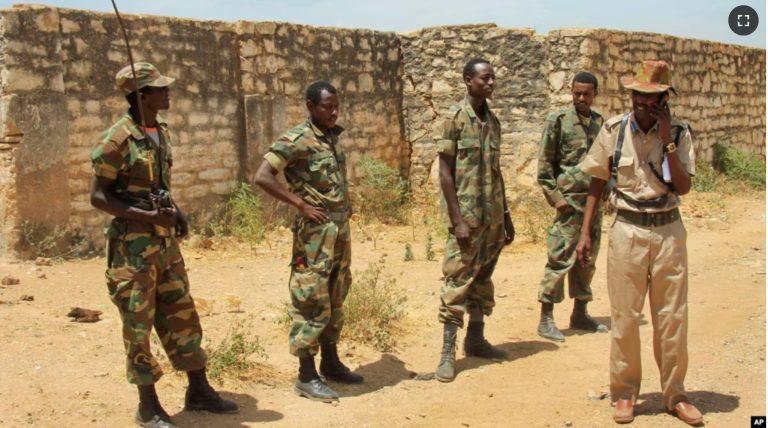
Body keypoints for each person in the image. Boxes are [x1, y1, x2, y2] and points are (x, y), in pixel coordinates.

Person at [90, 62, 237, 428]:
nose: (168, 92)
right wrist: (146, 216)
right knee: (138, 324)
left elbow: (159, 187)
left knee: (181, 312)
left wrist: (177, 212)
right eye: (160, 88)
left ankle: (198, 389)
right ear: (142, 96)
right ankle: (148, 405)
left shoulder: (160, 133)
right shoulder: (117, 140)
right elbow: (98, 196)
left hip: (165, 245)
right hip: (132, 250)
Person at [575, 60, 703, 426]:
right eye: (638, 97)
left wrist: (666, 142)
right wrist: (585, 231)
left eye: (652, 99)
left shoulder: (678, 133)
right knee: (625, 317)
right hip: (627, 230)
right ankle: (625, 393)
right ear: (631, 96)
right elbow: (597, 181)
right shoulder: (614, 130)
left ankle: (675, 395)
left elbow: (683, 186)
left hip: (668, 232)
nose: (644, 104)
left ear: (665, 100)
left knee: (672, 317)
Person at [253, 81, 362, 403]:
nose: (334, 112)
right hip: (315, 235)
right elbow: (262, 176)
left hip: (338, 230)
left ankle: (331, 362)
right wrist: (300, 204)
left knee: (336, 292)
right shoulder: (296, 139)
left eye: (336, 106)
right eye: (327, 106)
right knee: (310, 296)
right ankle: (306, 375)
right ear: (310, 106)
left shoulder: (331, 137)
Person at [434, 58, 515, 383]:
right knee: (457, 283)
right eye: (485, 78)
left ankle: (476, 339)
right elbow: (445, 173)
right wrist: (457, 220)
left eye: (493, 77)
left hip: (492, 219)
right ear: (468, 81)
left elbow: (497, 172)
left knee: (482, 280)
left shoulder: (493, 122)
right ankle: (447, 353)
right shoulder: (453, 119)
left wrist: (505, 216)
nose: (491, 83)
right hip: (466, 220)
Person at [536, 71, 607, 342]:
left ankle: (580, 313)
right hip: (569, 205)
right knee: (559, 258)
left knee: (587, 259)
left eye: (586, 93)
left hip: (593, 204)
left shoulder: (600, 123)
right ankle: (546, 318)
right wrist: (557, 198)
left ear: (595, 94)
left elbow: (605, 163)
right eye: (577, 93)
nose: (581, 98)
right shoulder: (558, 121)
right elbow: (545, 166)